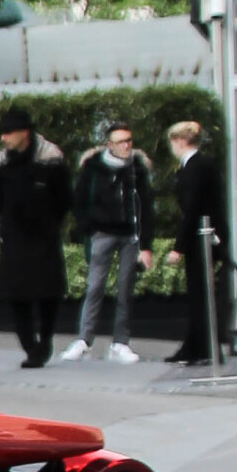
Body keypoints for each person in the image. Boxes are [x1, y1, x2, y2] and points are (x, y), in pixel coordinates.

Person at [65, 116, 156, 364]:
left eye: (129, 141)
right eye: (121, 142)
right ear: (110, 144)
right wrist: (88, 228)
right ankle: (84, 339)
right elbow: (79, 200)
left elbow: (146, 207)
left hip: (130, 234)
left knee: (125, 288)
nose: (126, 146)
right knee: (95, 286)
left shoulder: (136, 169)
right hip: (102, 232)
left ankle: (120, 342)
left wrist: (146, 245)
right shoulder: (93, 168)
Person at [0, 110, 72, 369]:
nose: (3, 138)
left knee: (48, 293)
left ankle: (45, 340)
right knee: (16, 294)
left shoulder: (51, 159)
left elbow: (64, 199)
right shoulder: (0, 163)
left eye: (8, 133)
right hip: (14, 236)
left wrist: (49, 222)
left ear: (24, 133)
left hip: (44, 235)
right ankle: (29, 345)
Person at [167, 116, 227, 365]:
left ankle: (204, 347)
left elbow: (191, 209)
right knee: (199, 294)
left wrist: (178, 248)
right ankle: (196, 345)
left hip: (201, 238)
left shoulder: (194, 167)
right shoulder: (201, 164)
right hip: (204, 236)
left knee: (200, 294)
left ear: (180, 141)